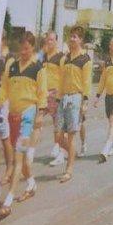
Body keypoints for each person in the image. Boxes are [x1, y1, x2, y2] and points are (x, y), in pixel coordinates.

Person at [0, 31, 47, 220]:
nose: (23, 52)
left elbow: (42, 93)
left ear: (32, 47)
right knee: (24, 160)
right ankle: (31, 184)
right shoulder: (11, 65)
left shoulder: (38, 68)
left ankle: (8, 200)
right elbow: (4, 88)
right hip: (13, 116)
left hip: (28, 116)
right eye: (21, 48)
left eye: (27, 48)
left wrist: (40, 113)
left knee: (19, 156)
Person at [55, 26, 92, 183]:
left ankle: (68, 170)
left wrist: (85, 102)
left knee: (71, 136)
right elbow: (61, 80)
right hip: (63, 98)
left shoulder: (85, 59)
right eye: (71, 36)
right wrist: (58, 98)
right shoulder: (65, 59)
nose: (72, 39)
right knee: (58, 136)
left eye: (75, 36)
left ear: (81, 40)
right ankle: (73, 152)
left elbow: (86, 82)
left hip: (76, 99)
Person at [40, 31, 66, 168]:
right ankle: (29, 150)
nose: (49, 42)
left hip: (56, 93)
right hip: (44, 94)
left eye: (51, 40)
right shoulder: (43, 57)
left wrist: (60, 95)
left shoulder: (61, 58)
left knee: (58, 125)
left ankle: (61, 152)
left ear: (56, 41)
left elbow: (64, 77)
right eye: (47, 40)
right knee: (36, 120)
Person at [0, 32, 13, 187]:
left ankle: (9, 168)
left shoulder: (7, 58)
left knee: (4, 136)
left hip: (3, 100)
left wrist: (1, 101)